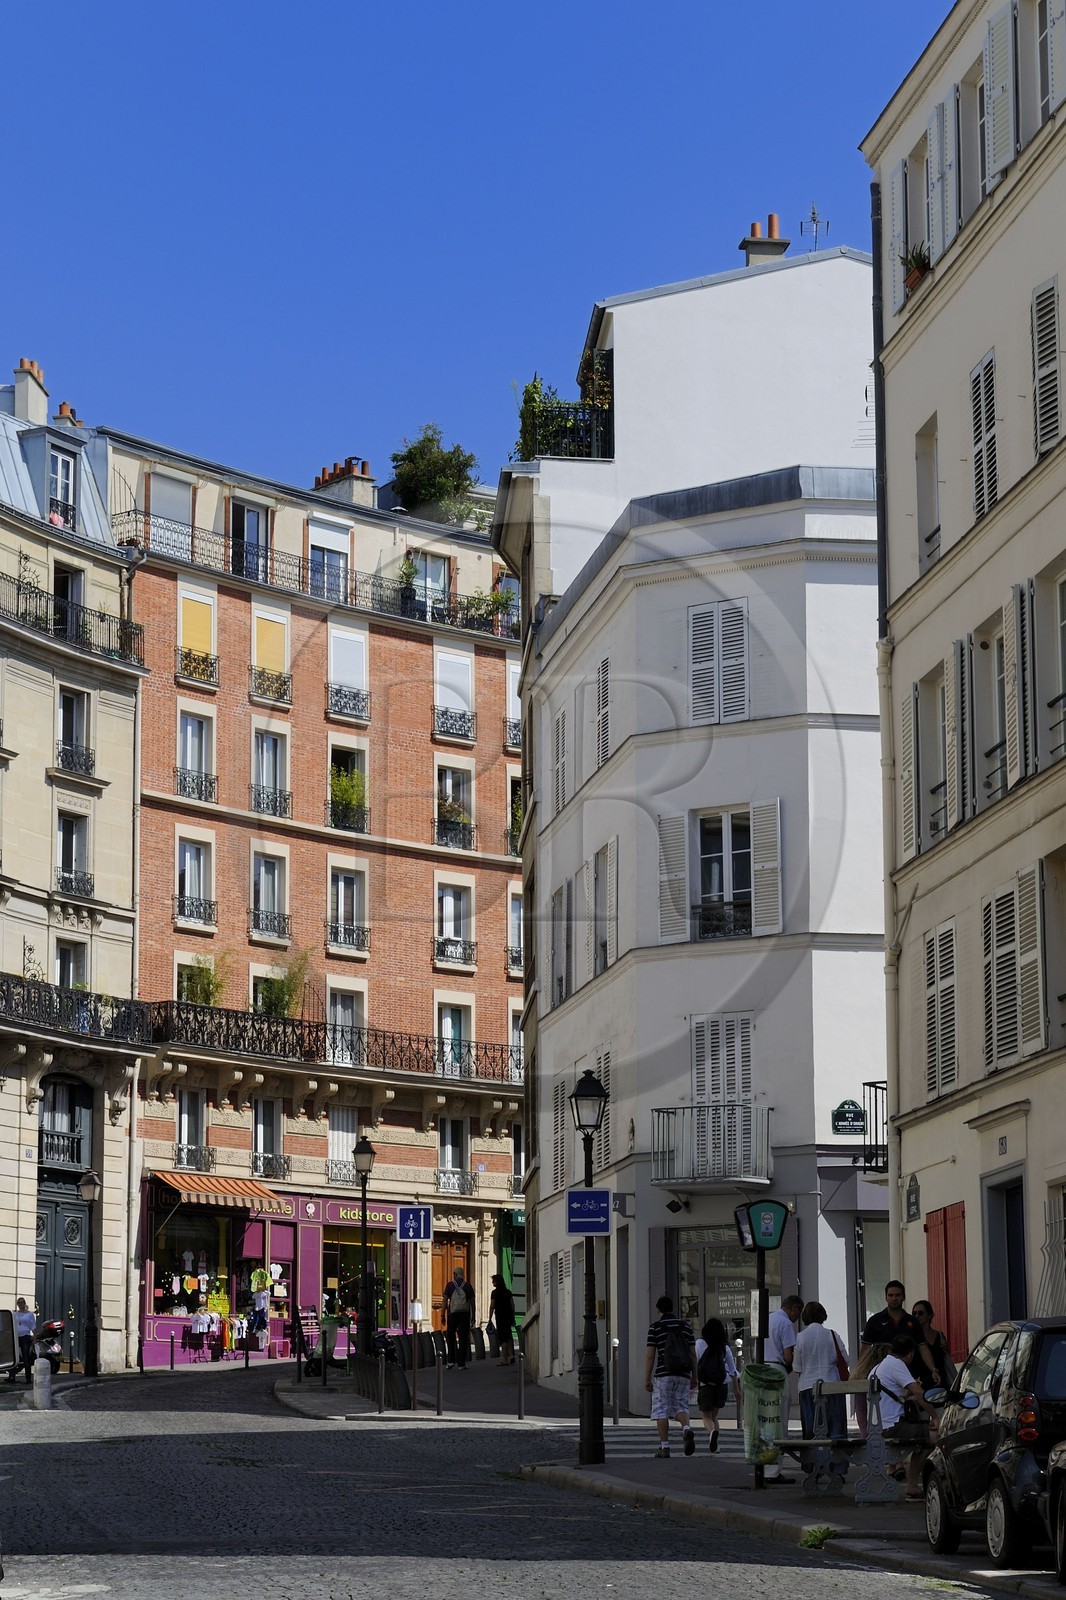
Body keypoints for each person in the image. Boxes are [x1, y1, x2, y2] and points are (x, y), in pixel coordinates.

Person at [873, 1332, 939, 1499]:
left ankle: (912, 1484)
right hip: (893, 1426)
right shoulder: (897, 1365)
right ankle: (912, 1485)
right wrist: (934, 1416)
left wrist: (908, 1391)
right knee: (934, 1436)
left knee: (924, 1435)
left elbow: (897, 1395)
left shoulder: (879, 1366)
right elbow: (919, 1394)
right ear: (910, 1354)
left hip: (878, 1425)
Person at [792, 1301, 850, 1477]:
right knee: (836, 1428)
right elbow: (845, 1359)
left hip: (807, 1387)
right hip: (831, 1386)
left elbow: (797, 1367)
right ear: (823, 1315)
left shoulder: (801, 1337)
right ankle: (837, 1468)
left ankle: (813, 1468)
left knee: (811, 1430)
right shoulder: (832, 1335)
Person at [644, 1294, 698, 1458]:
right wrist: (694, 1376)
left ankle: (664, 1447)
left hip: (664, 1374)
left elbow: (650, 1356)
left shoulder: (655, 1328)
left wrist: (647, 1378)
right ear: (673, 1309)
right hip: (683, 1373)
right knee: (681, 1406)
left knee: (661, 1410)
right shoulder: (686, 1327)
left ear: (659, 1310)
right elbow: (693, 1354)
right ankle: (686, 1429)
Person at [764, 1293, 803, 1482]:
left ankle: (762, 1467)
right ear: (793, 1308)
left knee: (765, 1421)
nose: (797, 1318)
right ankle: (773, 1471)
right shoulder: (786, 1324)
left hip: (761, 1370)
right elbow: (788, 1356)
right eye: (798, 1313)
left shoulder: (768, 1318)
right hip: (778, 1370)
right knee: (779, 1422)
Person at [694, 1317, 740, 1452]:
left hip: (705, 1384)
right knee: (714, 1415)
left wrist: (693, 1380)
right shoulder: (724, 1347)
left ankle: (712, 1432)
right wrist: (737, 1390)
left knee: (706, 1416)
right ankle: (716, 1444)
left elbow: (695, 1363)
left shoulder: (700, 1344)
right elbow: (732, 1371)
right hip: (721, 1385)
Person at [861, 1280, 923, 1379]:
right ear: (886, 1297)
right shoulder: (875, 1321)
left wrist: (933, 1369)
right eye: (891, 1295)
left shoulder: (913, 1322)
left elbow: (922, 1347)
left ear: (904, 1297)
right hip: (882, 1374)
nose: (894, 1298)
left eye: (897, 1295)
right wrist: (863, 1371)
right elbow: (865, 1349)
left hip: (910, 1373)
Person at [849, 1339, 891, 1439]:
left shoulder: (861, 1376)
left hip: (871, 1427)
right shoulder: (888, 1374)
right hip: (886, 1425)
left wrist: (865, 1433)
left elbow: (860, 1409)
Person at [912, 1299, 956, 1388]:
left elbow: (945, 1356)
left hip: (941, 1381)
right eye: (914, 1313)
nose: (917, 1316)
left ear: (929, 1315)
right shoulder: (912, 1337)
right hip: (921, 1382)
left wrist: (946, 1348)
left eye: (920, 1313)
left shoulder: (939, 1335)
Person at [442, 1266, 475, 1370]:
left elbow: (445, 1300)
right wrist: (473, 1315)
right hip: (465, 1314)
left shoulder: (450, 1285)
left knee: (451, 1337)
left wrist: (442, 1314)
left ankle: (451, 1361)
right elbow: (472, 1302)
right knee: (463, 1338)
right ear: (462, 1275)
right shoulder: (468, 1286)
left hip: (452, 1314)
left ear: (455, 1274)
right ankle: (461, 1363)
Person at [6, 1297, 36, 1384]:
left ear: (24, 1303)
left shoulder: (29, 1314)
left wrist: (35, 1337)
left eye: (21, 1302)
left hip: (25, 1336)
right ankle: (12, 1377)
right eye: (18, 1303)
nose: (20, 1304)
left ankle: (28, 1378)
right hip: (16, 1336)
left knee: (25, 1357)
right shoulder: (15, 1314)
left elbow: (33, 1326)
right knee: (14, 1357)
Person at [488, 1274, 516, 1366]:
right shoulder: (508, 1292)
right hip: (508, 1316)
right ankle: (511, 1356)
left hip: (500, 1316)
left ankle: (504, 1359)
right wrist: (513, 1317)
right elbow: (512, 1305)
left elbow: (492, 1305)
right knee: (508, 1335)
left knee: (503, 1338)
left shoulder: (495, 1293)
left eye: (493, 1281)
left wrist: (489, 1318)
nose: (492, 1282)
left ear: (497, 1282)